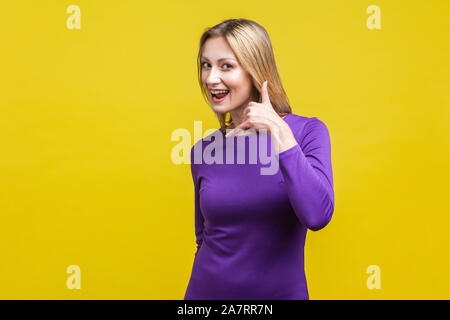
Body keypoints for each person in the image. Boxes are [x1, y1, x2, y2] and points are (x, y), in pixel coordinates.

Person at [184, 18, 335, 300]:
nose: (210, 78)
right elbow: (204, 238)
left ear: (255, 70)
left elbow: (317, 215)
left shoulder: (307, 132)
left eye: (225, 66)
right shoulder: (203, 150)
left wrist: (279, 132)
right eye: (206, 65)